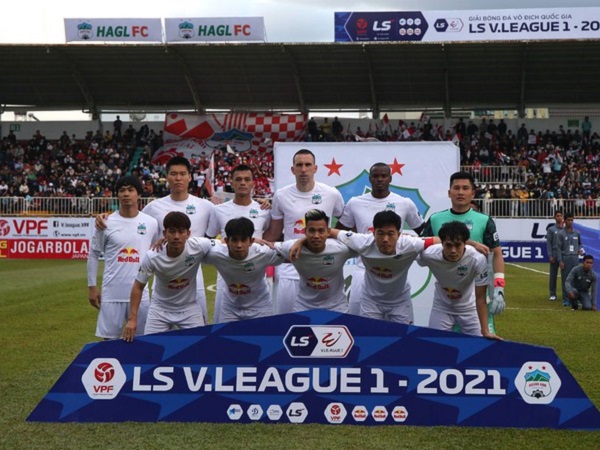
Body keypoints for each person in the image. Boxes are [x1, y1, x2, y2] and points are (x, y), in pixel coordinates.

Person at [97, 156, 214, 323]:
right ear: (166, 177)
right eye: (173, 174)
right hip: (163, 282)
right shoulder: (153, 207)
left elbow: (218, 234)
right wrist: (106, 217)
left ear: (190, 177)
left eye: (182, 174)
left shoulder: (206, 206)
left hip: (195, 282)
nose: (178, 178)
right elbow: (132, 221)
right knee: (160, 333)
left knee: (198, 332)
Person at [421, 171, 506, 334]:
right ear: (449, 192)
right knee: (442, 343)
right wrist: (471, 243)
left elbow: (496, 253)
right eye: (456, 188)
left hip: (478, 294)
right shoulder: (435, 219)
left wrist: (499, 287)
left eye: (465, 188)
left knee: (482, 341)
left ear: (473, 193)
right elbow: (422, 245)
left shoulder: (484, 220)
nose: (460, 192)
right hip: (447, 296)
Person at [336, 162, 425, 315]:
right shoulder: (355, 203)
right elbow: (339, 232)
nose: (379, 179)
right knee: (360, 322)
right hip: (363, 269)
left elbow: (423, 231)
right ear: (370, 178)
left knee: (396, 323)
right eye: (375, 176)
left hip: (394, 272)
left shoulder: (404, 203)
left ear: (390, 178)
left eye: (383, 176)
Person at [263, 149, 344, 314]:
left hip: (323, 269)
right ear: (293, 169)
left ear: (315, 168)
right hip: (290, 270)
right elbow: (274, 233)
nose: (303, 169)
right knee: (288, 323)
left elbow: (345, 225)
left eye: (308, 165)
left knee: (326, 321)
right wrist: (253, 243)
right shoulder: (281, 195)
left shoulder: (332, 194)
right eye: (299, 165)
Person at [87, 176, 160, 340]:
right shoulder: (106, 223)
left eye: (131, 190)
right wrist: (92, 287)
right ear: (117, 195)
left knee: (142, 343)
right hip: (111, 295)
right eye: (122, 190)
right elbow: (93, 254)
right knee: (109, 344)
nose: (126, 194)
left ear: (138, 194)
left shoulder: (151, 223)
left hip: (141, 295)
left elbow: (156, 249)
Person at [331, 210, 435, 324]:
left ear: (399, 234)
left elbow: (440, 241)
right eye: (380, 233)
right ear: (373, 233)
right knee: (370, 335)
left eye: (390, 234)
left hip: (400, 301)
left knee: (403, 335)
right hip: (371, 300)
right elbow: (330, 232)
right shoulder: (362, 242)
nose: (385, 239)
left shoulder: (410, 244)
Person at [123, 212, 214, 342]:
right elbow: (138, 286)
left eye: (181, 231)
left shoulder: (199, 246)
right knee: (151, 348)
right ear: (164, 234)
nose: (176, 236)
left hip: (189, 308)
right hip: (160, 309)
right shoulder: (153, 256)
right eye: (172, 231)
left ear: (188, 233)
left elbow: (223, 246)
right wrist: (132, 320)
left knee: (198, 347)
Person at [206, 164, 271, 323]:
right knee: (224, 330)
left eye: (247, 179)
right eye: (239, 179)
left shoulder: (264, 210)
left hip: (256, 276)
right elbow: (209, 239)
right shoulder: (219, 210)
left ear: (253, 183)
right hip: (226, 277)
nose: (243, 183)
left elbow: (269, 238)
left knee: (260, 329)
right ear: (232, 183)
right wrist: (221, 241)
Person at [417, 221, 502, 340]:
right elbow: (411, 250)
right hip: (441, 307)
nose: (453, 250)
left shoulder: (477, 259)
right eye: (448, 245)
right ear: (442, 243)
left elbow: (480, 297)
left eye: (458, 245)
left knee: (477, 346)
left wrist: (485, 330)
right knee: (436, 345)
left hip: (469, 308)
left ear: (465, 244)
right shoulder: (428, 255)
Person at [204, 218, 285, 322]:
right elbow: (193, 249)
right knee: (225, 333)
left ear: (251, 241)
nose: (239, 245)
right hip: (230, 308)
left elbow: (292, 252)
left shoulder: (263, 252)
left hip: (260, 308)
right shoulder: (216, 254)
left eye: (243, 240)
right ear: (227, 241)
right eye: (234, 240)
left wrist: (300, 242)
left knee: (263, 333)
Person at [276, 209, 355, 313]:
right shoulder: (292, 247)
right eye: (312, 231)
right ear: (305, 231)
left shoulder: (342, 249)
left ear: (328, 232)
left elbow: (366, 246)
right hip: (304, 307)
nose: (316, 236)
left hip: (337, 308)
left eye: (321, 231)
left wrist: (302, 240)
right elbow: (269, 247)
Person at [557, 212, 584, 307]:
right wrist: (560, 261)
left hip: (575, 257)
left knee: (577, 278)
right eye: (568, 220)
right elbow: (558, 249)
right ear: (564, 221)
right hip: (566, 257)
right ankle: (566, 299)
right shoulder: (561, 234)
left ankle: (576, 298)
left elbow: (580, 244)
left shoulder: (577, 233)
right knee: (566, 279)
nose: (570, 222)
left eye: (572, 220)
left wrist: (579, 250)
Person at [546, 210, 564, 301]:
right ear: (554, 217)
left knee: (565, 276)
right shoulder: (551, 229)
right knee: (553, 276)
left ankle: (565, 294)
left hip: (563, 255)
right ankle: (552, 294)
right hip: (554, 253)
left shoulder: (566, 229)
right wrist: (550, 255)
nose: (559, 217)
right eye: (557, 216)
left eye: (560, 215)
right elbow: (549, 243)